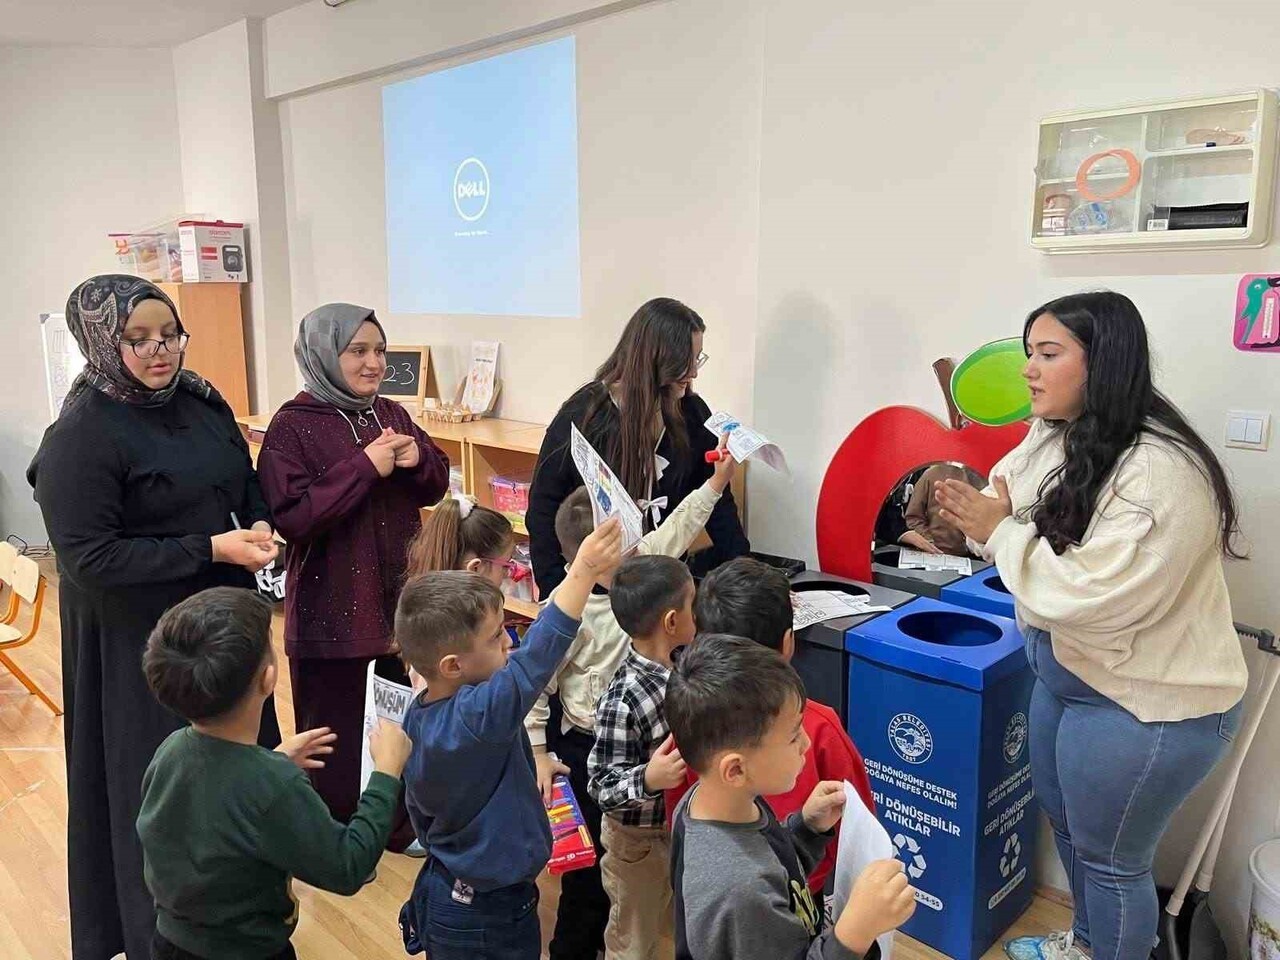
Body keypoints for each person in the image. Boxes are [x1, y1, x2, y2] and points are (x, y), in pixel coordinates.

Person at [933, 292, 1249, 960]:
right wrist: (981, 511)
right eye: (1028, 355)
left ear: (1104, 362)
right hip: (1072, 677)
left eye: (1048, 355)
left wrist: (998, 530)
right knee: (1073, 831)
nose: (1029, 371)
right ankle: (1084, 943)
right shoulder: (1062, 430)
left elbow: (1084, 594)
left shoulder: (1161, 471)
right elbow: (1016, 492)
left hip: (1148, 702)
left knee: (1111, 862)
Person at [28, 275, 282, 960]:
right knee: (166, 791)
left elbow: (241, 479)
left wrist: (256, 520)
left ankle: (245, 920)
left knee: (240, 777)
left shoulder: (201, 401)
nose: (159, 350)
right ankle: (164, 937)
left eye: (168, 334)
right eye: (136, 339)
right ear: (101, 342)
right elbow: (88, 560)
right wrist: (208, 547)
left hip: (221, 622)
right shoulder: (80, 435)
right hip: (139, 646)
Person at [528, 441, 736, 955]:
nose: (642, 543)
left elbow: (678, 528)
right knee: (586, 877)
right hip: (581, 745)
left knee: (632, 862)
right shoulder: (566, 609)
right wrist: (536, 752)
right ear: (594, 555)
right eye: (627, 538)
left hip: (643, 742)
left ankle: (620, 928)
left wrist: (716, 484)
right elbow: (534, 682)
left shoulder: (639, 573)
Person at [257, 303, 449, 840]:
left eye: (380, 351)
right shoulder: (292, 425)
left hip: (397, 598)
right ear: (323, 355)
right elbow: (292, 516)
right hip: (331, 605)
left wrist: (418, 460)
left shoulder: (390, 412)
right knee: (335, 723)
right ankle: (339, 835)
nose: (374, 364)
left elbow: (434, 485)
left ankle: (396, 822)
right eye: (358, 351)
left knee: (400, 711)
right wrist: (364, 467)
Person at [137, 587, 413, 960]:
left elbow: (218, 803)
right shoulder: (274, 786)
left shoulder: (170, 751)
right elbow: (348, 866)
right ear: (268, 678)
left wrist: (274, 760)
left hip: (169, 943)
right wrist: (386, 773)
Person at [396, 518, 624, 960]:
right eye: (496, 636)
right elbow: (535, 661)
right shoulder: (476, 717)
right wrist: (583, 571)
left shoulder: (426, 710)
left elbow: (423, 813)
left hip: (451, 890)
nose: (508, 643)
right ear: (452, 665)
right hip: (487, 914)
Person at [665, 635, 915, 960]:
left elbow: (771, 863)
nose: (807, 744)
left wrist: (806, 828)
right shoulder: (740, 893)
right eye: (794, 734)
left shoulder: (715, 801)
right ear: (736, 770)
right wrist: (855, 932)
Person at [664, 556, 875, 897]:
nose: (802, 744)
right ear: (788, 642)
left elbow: (676, 807)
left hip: (756, 870)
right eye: (794, 738)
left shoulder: (691, 713)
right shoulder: (820, 725)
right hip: (796, 887)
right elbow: (857, 822)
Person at [527, 297, 750, 607]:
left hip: (659, 588)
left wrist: (746, 575)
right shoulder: (585, 415)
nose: (694, 373)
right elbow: (542, 508)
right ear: (657, 359)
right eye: (687, 360)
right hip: (595, 593)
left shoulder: (692, 414)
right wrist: (558, 595)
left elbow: (716, 502)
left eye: (698, 358)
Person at [586, 555, 697, 960]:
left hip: (672, 828)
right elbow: (600, 785)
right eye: (693, 604)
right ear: (671, 622)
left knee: (663, 916)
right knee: (632, 938)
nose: (697, 613)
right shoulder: (623, 697)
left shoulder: (680, 666)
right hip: (635, 843)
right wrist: (648, 778)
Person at [899, 462, 977, 557]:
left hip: (972, 556)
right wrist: (928, 542)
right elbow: (913, 517)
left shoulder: (980, 479)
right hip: (934, 554)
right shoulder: (932, 474)